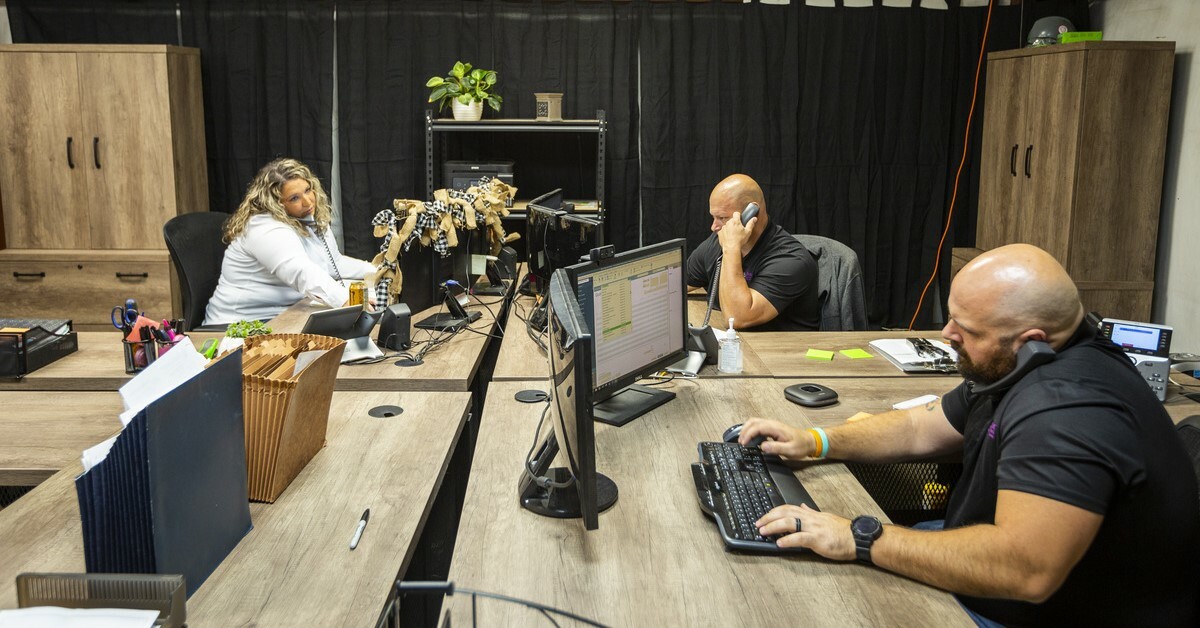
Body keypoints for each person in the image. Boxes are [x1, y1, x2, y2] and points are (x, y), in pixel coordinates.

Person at [739, 244, 1200, 626]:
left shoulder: (1066, 407)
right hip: (1001, 567)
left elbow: (1024, 569)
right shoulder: (1028, 361)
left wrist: (859, 537)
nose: (947, 333)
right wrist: (816, 441)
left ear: (1030, 338)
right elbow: (923, 426)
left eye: (967, 328)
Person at [204, 158, 376, 325]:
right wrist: (347, 301)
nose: (308, 201)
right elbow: (301, 273)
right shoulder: (265, 229)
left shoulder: (305, 218)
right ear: (275, 203)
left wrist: (376, 271)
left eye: (308, 190)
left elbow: (334, 263)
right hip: (238, 326)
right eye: (294, 198)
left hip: (284, 314)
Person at [686, 174, 819, 331]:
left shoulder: (791, 260)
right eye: (713, 217)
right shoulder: (717, 243)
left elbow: (737, 318)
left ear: (752, 212)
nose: (714, 227)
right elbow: (677, 284)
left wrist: (731, 248)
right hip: (734, 346)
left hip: (776, 351)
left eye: (722, 217)